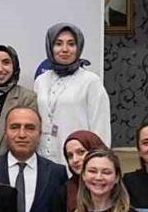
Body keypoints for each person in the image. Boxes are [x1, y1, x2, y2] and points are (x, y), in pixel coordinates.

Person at [34, 24, 111, 164]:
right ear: (50, 47)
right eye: (58, 44)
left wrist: (98, 162)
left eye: (71, 44)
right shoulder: (41, 80)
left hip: (78, 160)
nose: (65, 49)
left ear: (79, 47)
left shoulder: (90, 81)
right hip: (44, 158)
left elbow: (101, 128)